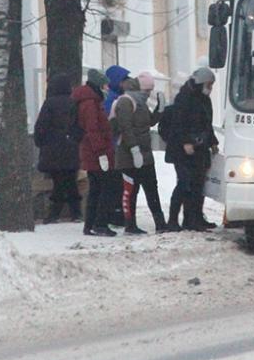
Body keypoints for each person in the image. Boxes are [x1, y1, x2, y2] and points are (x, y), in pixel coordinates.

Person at [165, 66, 219, 231]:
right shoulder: (184, 98)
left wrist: (212, 142)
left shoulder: (203, 99)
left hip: (200, 148)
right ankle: (172, 220)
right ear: (201, 83)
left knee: (198, 184)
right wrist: (186, 142)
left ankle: (194, 218)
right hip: (182, 151)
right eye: (209, 85)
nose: (210, 88)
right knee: (184, 183)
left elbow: (206, 124)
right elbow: (178, 124)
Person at [113, 73, 167, 234]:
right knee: (131, 191)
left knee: (152, 188)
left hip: (145, 154)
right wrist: (134, 149)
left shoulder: (141, 103)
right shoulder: (126, 101)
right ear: (140, 88)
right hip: (128, 156)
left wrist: (160, 109)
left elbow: (149, 122)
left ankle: (160, 223)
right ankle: (130, 224)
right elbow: (126, 127)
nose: (149, 93)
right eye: (147, 90)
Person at [74, 69, 118, 237]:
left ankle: (91, 224)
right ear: (98, 85)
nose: (107, 88)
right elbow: (92, 129)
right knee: (104, 188)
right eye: (105, 85)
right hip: (97, 153)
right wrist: (101, 153)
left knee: (96, 189)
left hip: (94, 152)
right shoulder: (90, 103)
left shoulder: (90, 101)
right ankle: (99, 223)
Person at [34, 74, 81, 222]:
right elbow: (79, 126)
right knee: (71, 181)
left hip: (52, 150)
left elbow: (41, 127)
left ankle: (54, 213)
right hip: (71, 149)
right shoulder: (74, 103)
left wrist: (40, 142)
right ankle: (76, 212)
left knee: (58, 182)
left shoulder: (49, 104)